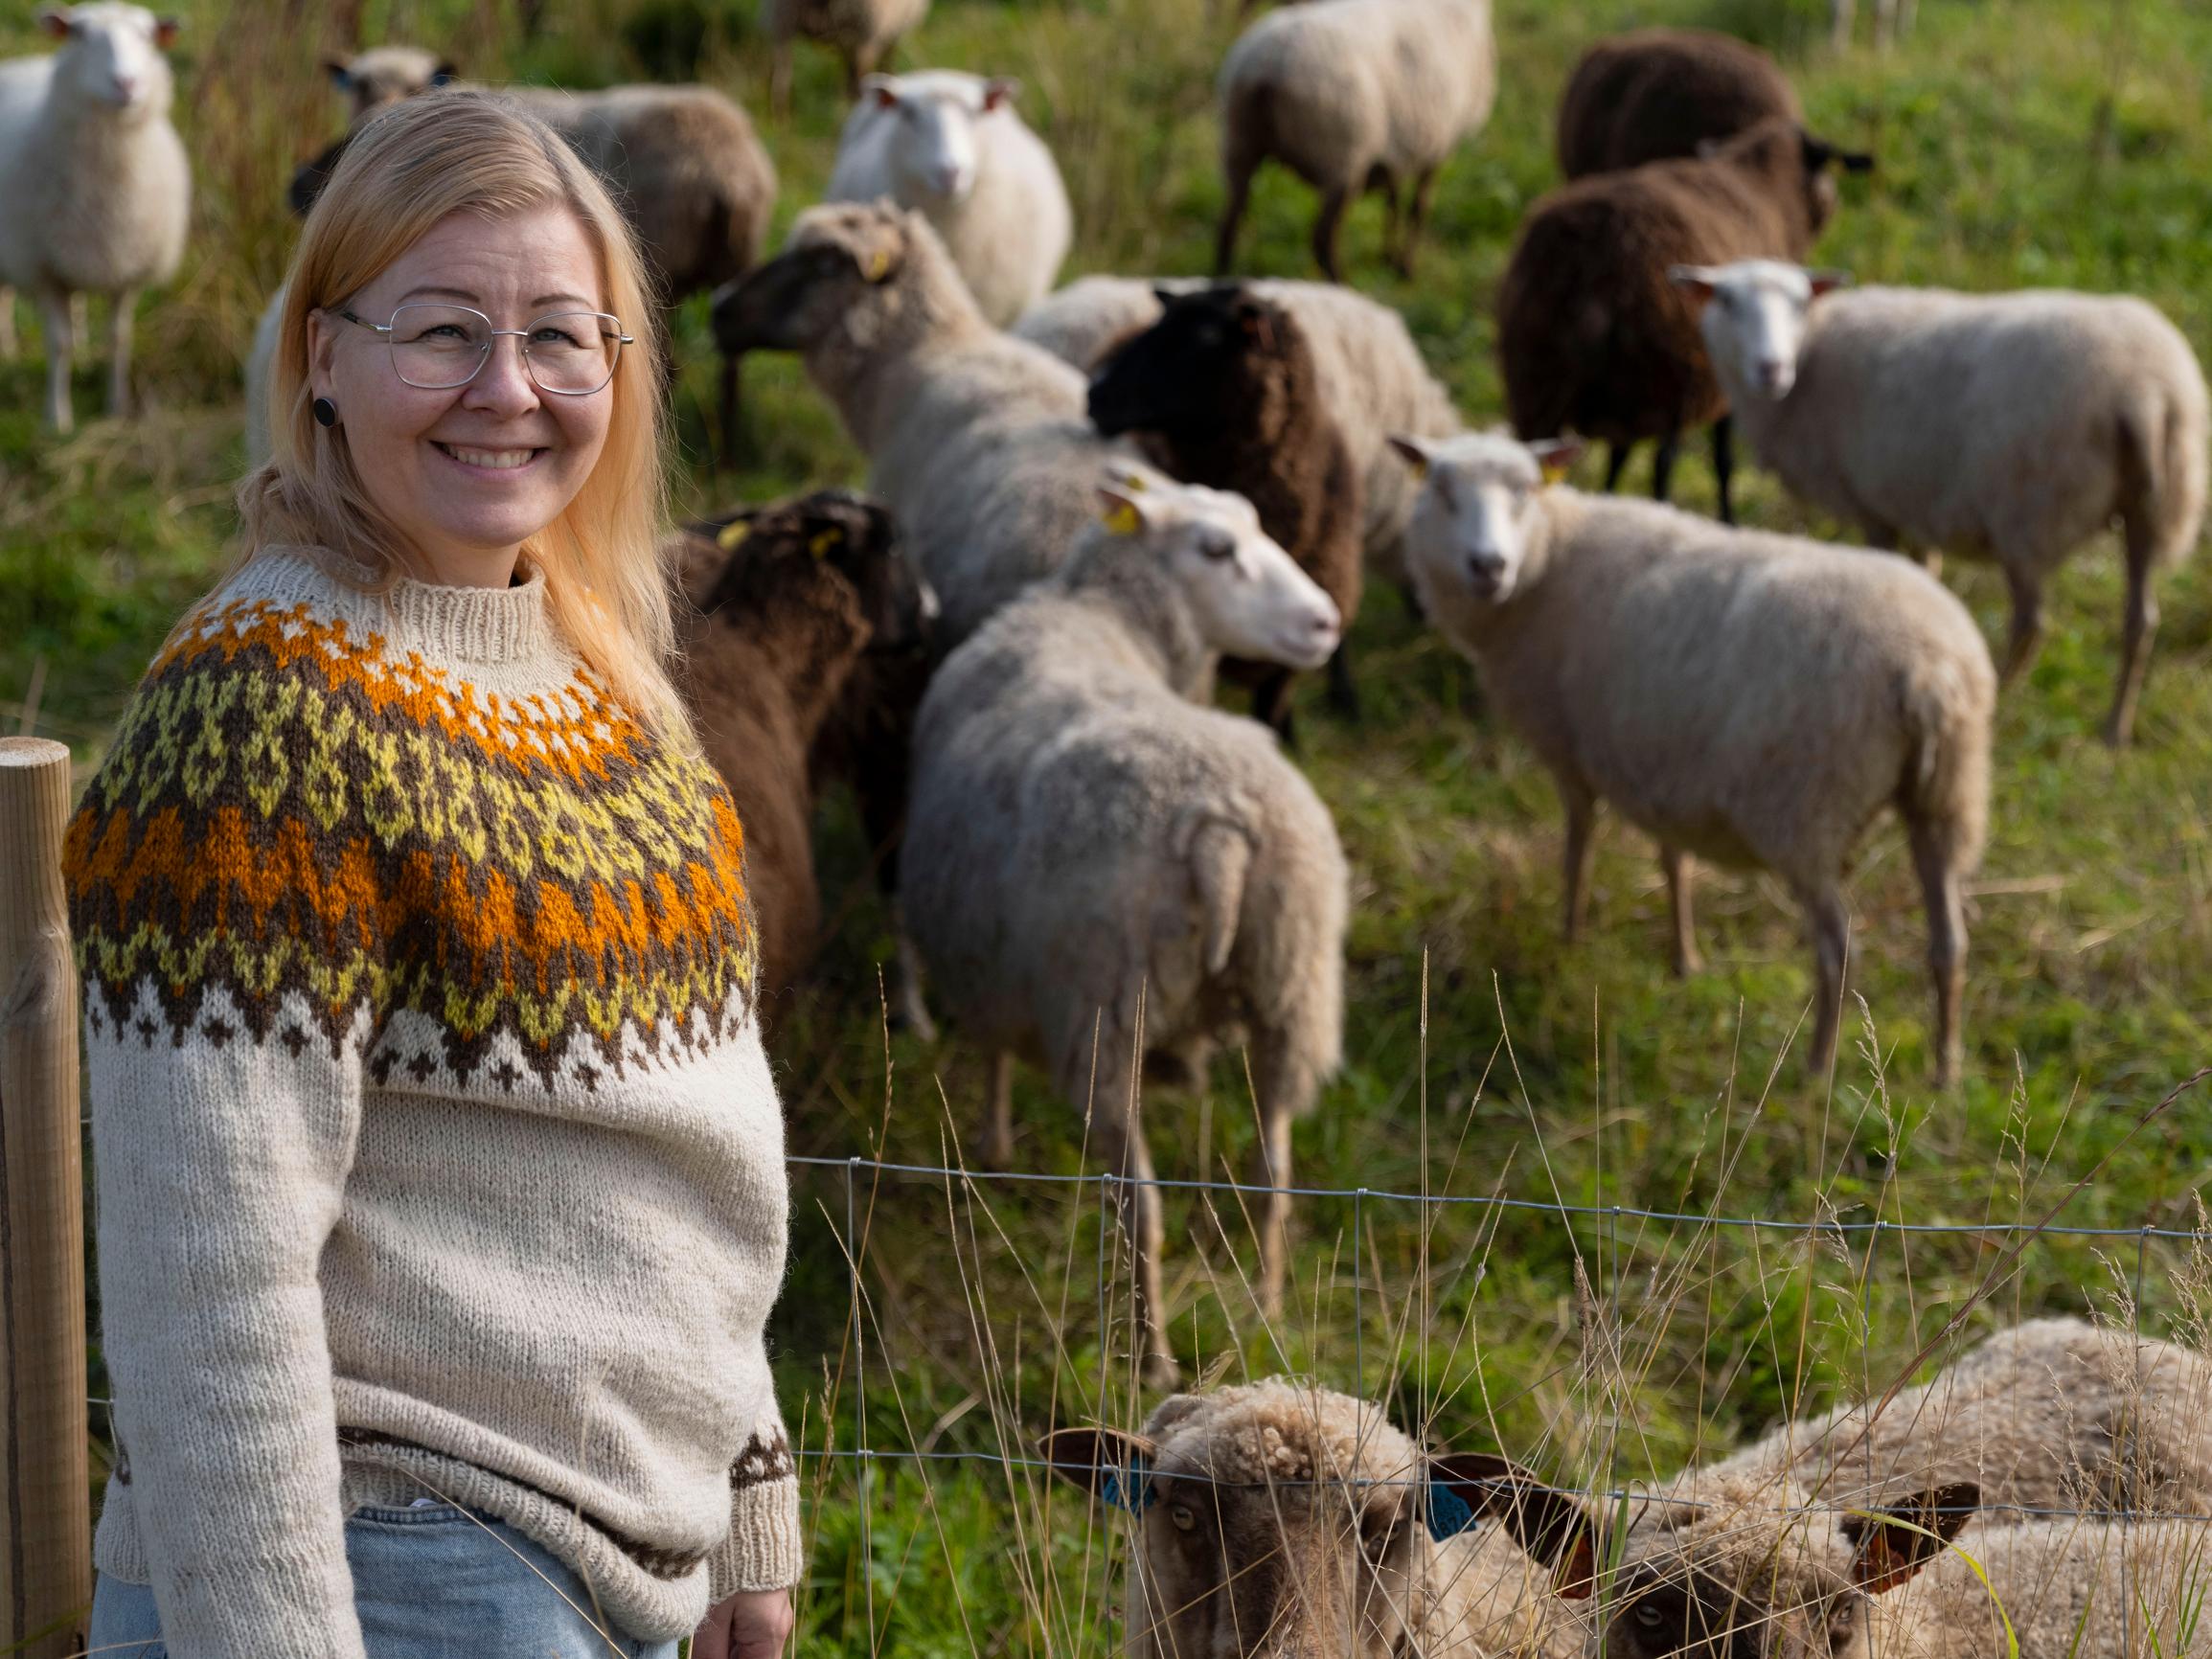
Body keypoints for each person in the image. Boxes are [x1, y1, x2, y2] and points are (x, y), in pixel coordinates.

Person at [65, 89, 799, 1659]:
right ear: (322, 357)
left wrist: (744, 1501)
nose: (508, 389)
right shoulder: (262, 717)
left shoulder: (610, 685)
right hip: (385, 1574)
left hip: (612, 1567)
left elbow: (686, 1142)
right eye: (445, 332)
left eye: (559, 334)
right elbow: (212, 1288)